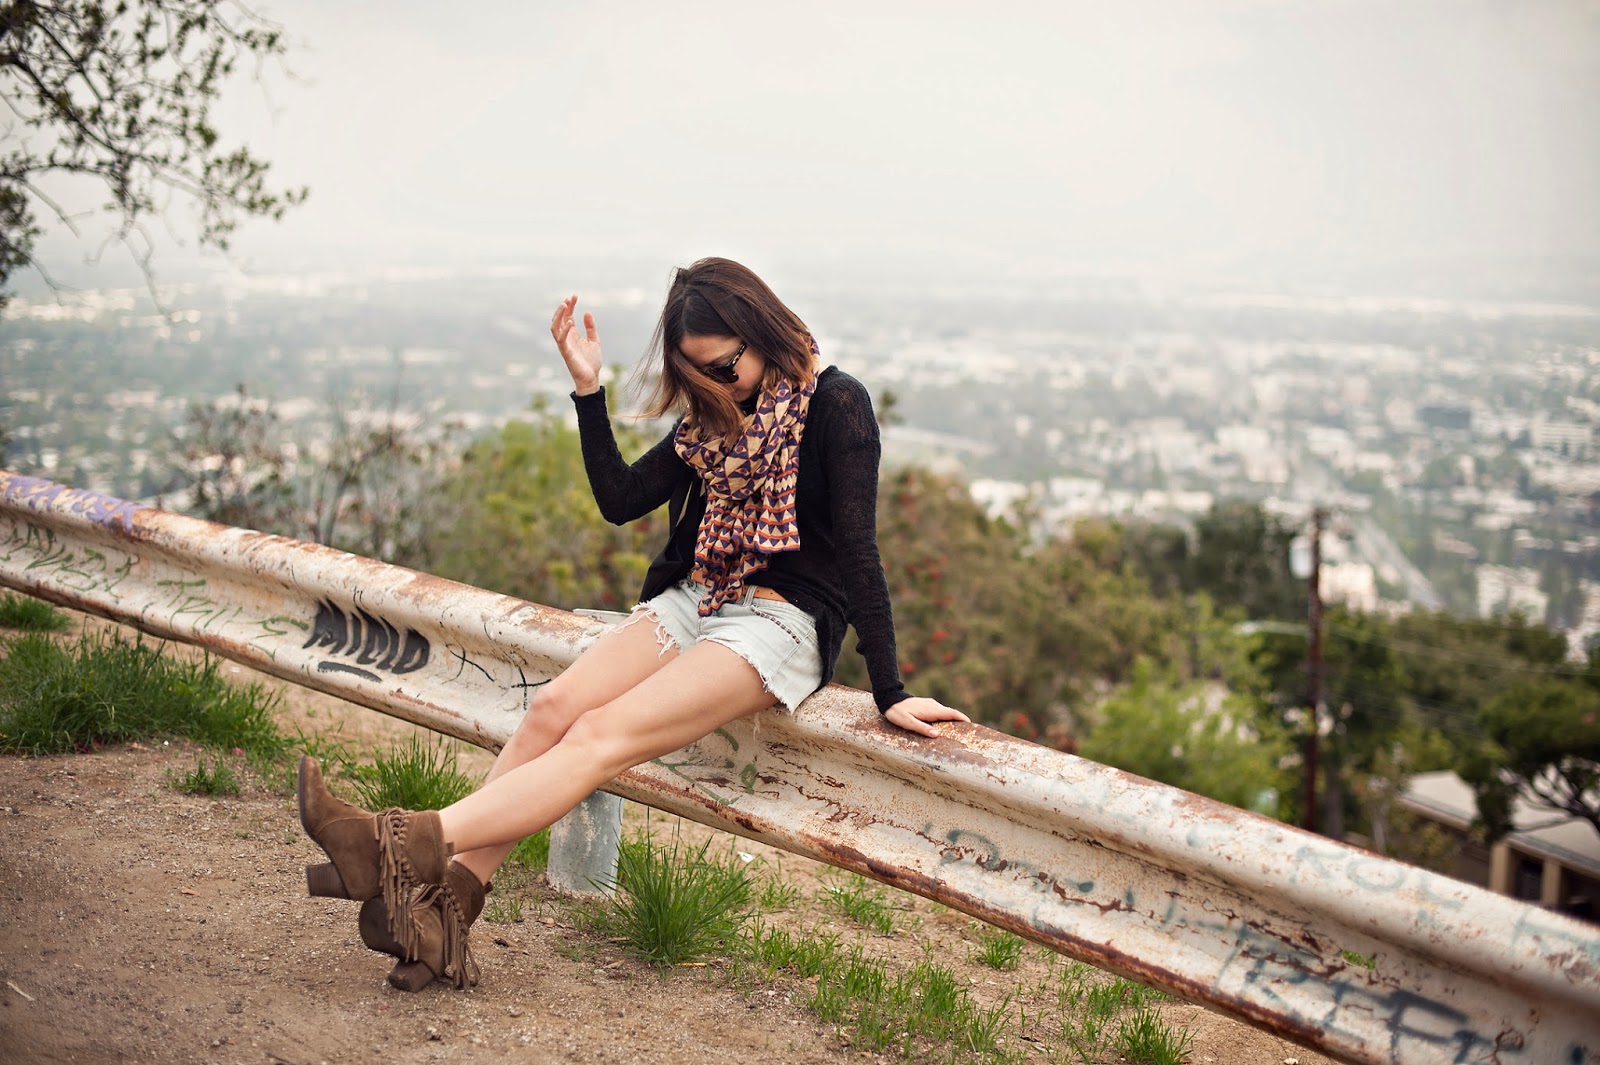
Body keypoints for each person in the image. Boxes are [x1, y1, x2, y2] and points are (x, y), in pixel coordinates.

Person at [297, 257, 969, 990]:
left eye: (725, 366)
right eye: (700, 374)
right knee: (554, 707)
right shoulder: (710, 421)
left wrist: (890, 688)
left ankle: (392, 845)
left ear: (762, 330)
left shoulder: (838, 405)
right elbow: (620, 498)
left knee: (597, 738)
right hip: (702, 596)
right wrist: (589, 388)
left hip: (780, 621)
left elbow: (861, 548)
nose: (718, 384)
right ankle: (444, 917)